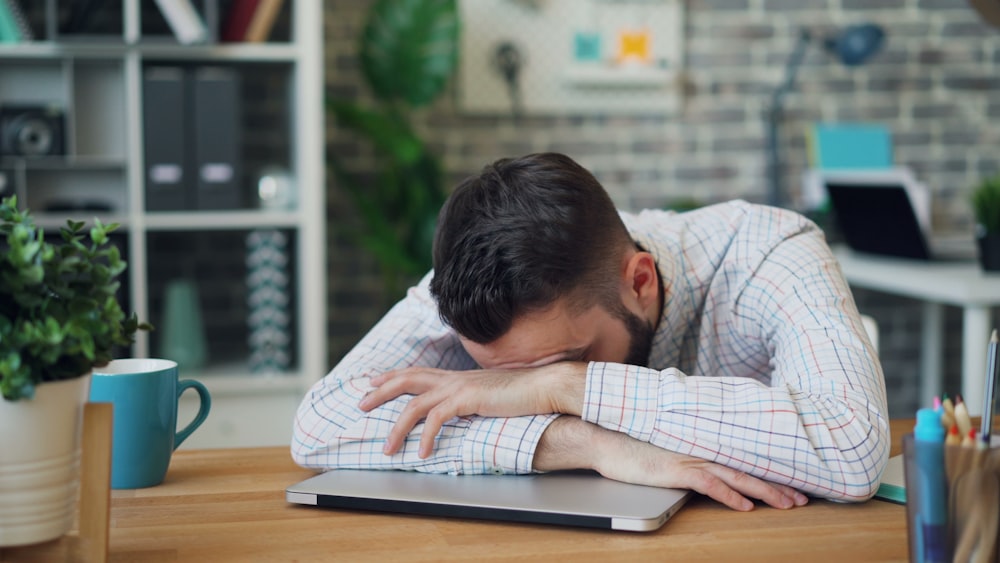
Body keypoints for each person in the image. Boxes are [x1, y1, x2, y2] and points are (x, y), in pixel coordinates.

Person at [292, 152, 889, 512]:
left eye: (560, 359)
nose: (517, 389)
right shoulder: (471, 282)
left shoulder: (770, 251)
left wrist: (566, 387)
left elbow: (852, 446)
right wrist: (584, 443)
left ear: (640, 281)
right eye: (504, 375)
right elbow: (320, 426)